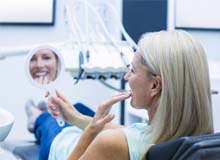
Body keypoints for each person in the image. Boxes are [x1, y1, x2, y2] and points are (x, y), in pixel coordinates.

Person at [25, 30, 213, 160]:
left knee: (50, 122)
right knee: (80, 108)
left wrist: (90, 130)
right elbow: (134, 133)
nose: (126, 77)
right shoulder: (195, 139)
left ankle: (36, 116)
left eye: (132, 69)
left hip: (64, 151)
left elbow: (120, 139)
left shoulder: (110, 143)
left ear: (155, 85)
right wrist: (78, 119)